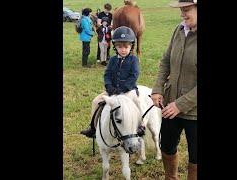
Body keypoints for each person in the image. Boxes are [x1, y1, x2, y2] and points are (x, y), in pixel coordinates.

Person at [150, 0, 197, 180]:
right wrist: (157, 89)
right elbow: (165, 61)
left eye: (186, 10)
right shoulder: (179, 30)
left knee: (196, 155)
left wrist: (181, 104)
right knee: (167, 146)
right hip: (171, 107)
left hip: (194, 113)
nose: (182, 14)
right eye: (181, 10)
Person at [80, 26, 142, 138]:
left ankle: (140, 126)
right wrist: (109, 87)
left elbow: (134, 76)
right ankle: (93, 127)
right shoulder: (113, 60)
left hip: (129, 90)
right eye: (120, 47)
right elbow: (107, 74)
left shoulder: (134, 60)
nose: (123, 50)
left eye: (126, 47)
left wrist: (123, 89)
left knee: (137, 103)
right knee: (95, 101)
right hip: (112, 90)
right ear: (115, 47)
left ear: (131, 46)